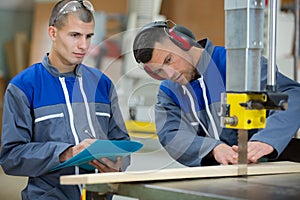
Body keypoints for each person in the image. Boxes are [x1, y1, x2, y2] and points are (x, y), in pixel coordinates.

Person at [0, 0, 130, 199]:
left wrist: (118, 163)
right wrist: (66, 153)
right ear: (52, 33)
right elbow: (11, 157)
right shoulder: (24, 87)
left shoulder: (103, 84)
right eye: (75, 35)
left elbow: (121, 142)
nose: (83, 45)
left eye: (88, 36)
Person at [132, 20, 300, 167]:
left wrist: (267, 139)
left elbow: (293, 96)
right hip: (221, 175)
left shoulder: (239, 65)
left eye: (169, 60)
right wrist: (212, 148)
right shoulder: (169, 91)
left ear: (183, 42)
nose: (170, 74)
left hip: (269, 168)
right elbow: (171, 134)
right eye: (159, 71)